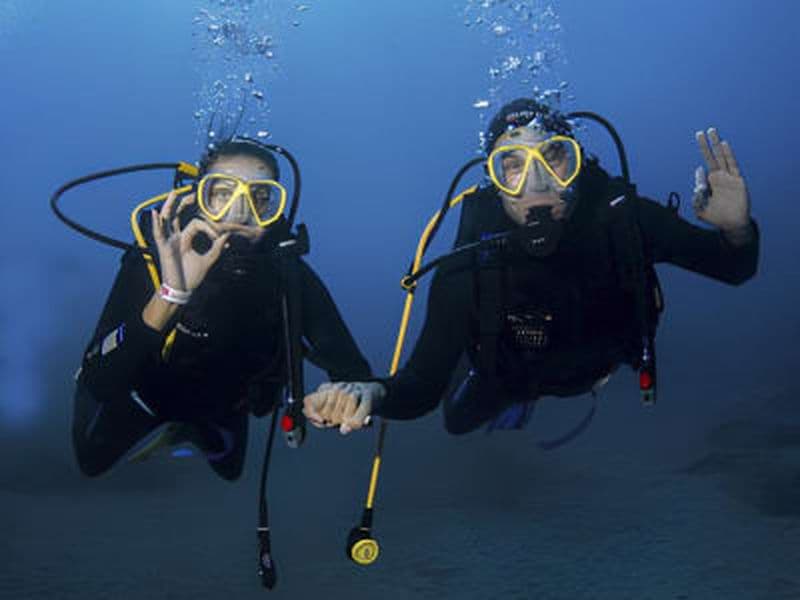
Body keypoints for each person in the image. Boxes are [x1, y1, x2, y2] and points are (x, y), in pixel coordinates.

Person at [303, 98, 759, 437]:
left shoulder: (623, 220)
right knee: (456, 422)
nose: (537, 182)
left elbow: (733, 268)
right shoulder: (468, 269)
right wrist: (372, 394)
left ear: (577, 163)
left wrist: (736, 230)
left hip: (600, 363)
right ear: (494, 181)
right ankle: (495, 381)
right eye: (513, 165)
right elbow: (420, 387)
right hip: (512, 381)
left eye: (554, 157)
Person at [72, 136, 372, 480]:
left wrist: (350, 397)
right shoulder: (159, 259)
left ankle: (190, 431)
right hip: (144, 397)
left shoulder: (288, 274)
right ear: (197, 199)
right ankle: (176, 428)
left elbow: (353, 371)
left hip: (221, 407)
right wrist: (172, 294)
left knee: (230, 472)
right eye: (222, 193)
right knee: (90, 463)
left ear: (275, 209)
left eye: (260, 198)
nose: (240, 213)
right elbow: (98, 379)